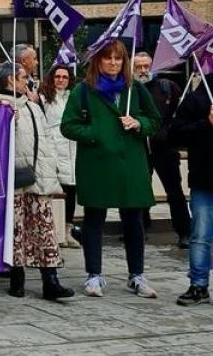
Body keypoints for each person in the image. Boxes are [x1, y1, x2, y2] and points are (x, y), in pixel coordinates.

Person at [61, 40, 161, 299]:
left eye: (118, 58)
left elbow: (155, 120)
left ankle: (136, 275)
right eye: (108, 58)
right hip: (96, 164)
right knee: (94, 220)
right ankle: (94, 275)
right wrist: (96, 133)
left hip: (130, 165)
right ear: (98, 61)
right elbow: (68, 126)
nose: (114, 63)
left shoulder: (135, 89)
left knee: (134, 221)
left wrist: (138, 123)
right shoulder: (83, 91)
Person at [0, 62, 74, 302]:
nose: (27, 81)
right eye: (22, 77)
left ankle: (50, 280)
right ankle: (16, 278)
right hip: (15, 179)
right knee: (16, 230)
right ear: (10, 80)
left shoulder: (33, 105)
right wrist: (8, 120)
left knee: (44, 231)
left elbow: (47, 139)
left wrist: (52, 172)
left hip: (39, 178)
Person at [133, 52, 191, 247]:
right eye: (138, 67)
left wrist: (169, 134)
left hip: (165, 148)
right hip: (139, 147)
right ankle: (139, 229)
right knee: (140, 190)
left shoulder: (167, 87)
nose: (143, 70)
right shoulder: (130, 90)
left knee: (174, 192)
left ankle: (184, 232)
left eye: (146, 66)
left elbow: (181, 113)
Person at [171, 74, 213, 306]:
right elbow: (175, 133)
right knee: (200, 235)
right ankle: (198, 285)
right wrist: (206, 124)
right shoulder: (198, 97)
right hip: (205, 180)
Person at [42, 64, 79, 247]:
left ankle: (67, 230)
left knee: (71, 191)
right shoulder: (45, 98)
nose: (61, 80)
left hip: (72, 150)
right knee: (56, 191)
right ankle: (53, 231)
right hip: (54, 149)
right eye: (57, 76)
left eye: (64, 77)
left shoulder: (75, 97)